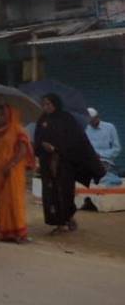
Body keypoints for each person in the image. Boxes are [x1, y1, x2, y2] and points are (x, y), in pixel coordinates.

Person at [34, 94, 105, 234]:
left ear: (56, 104)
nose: (46, 107)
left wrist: (56, 149)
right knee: (50, 193)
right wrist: (42, 146)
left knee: (64, 192)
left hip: (64, 164)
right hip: (47, 163)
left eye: (49, 104)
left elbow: (75, 141)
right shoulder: (42, 119)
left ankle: (66, 220)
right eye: (44, 104)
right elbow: (37, 138)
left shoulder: (66, 119)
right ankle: (58, 223)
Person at [0, 105, 35, 243]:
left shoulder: (18, 130)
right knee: (4, 201)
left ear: (11, 115)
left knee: (15, 201)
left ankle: (19, 233)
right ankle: (6, 233)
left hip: (13, 171)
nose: (0, 118)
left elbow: (22, 151)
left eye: (3, 115)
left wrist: (10, 165)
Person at [85, 107, 120, 173]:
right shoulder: (85, 129)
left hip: (104, 161)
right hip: (88, 161)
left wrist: (100, 154)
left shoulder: (109, 127)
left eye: (93, 120)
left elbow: (116, 149)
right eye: (90, 121)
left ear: (97, 117)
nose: (91, 123)